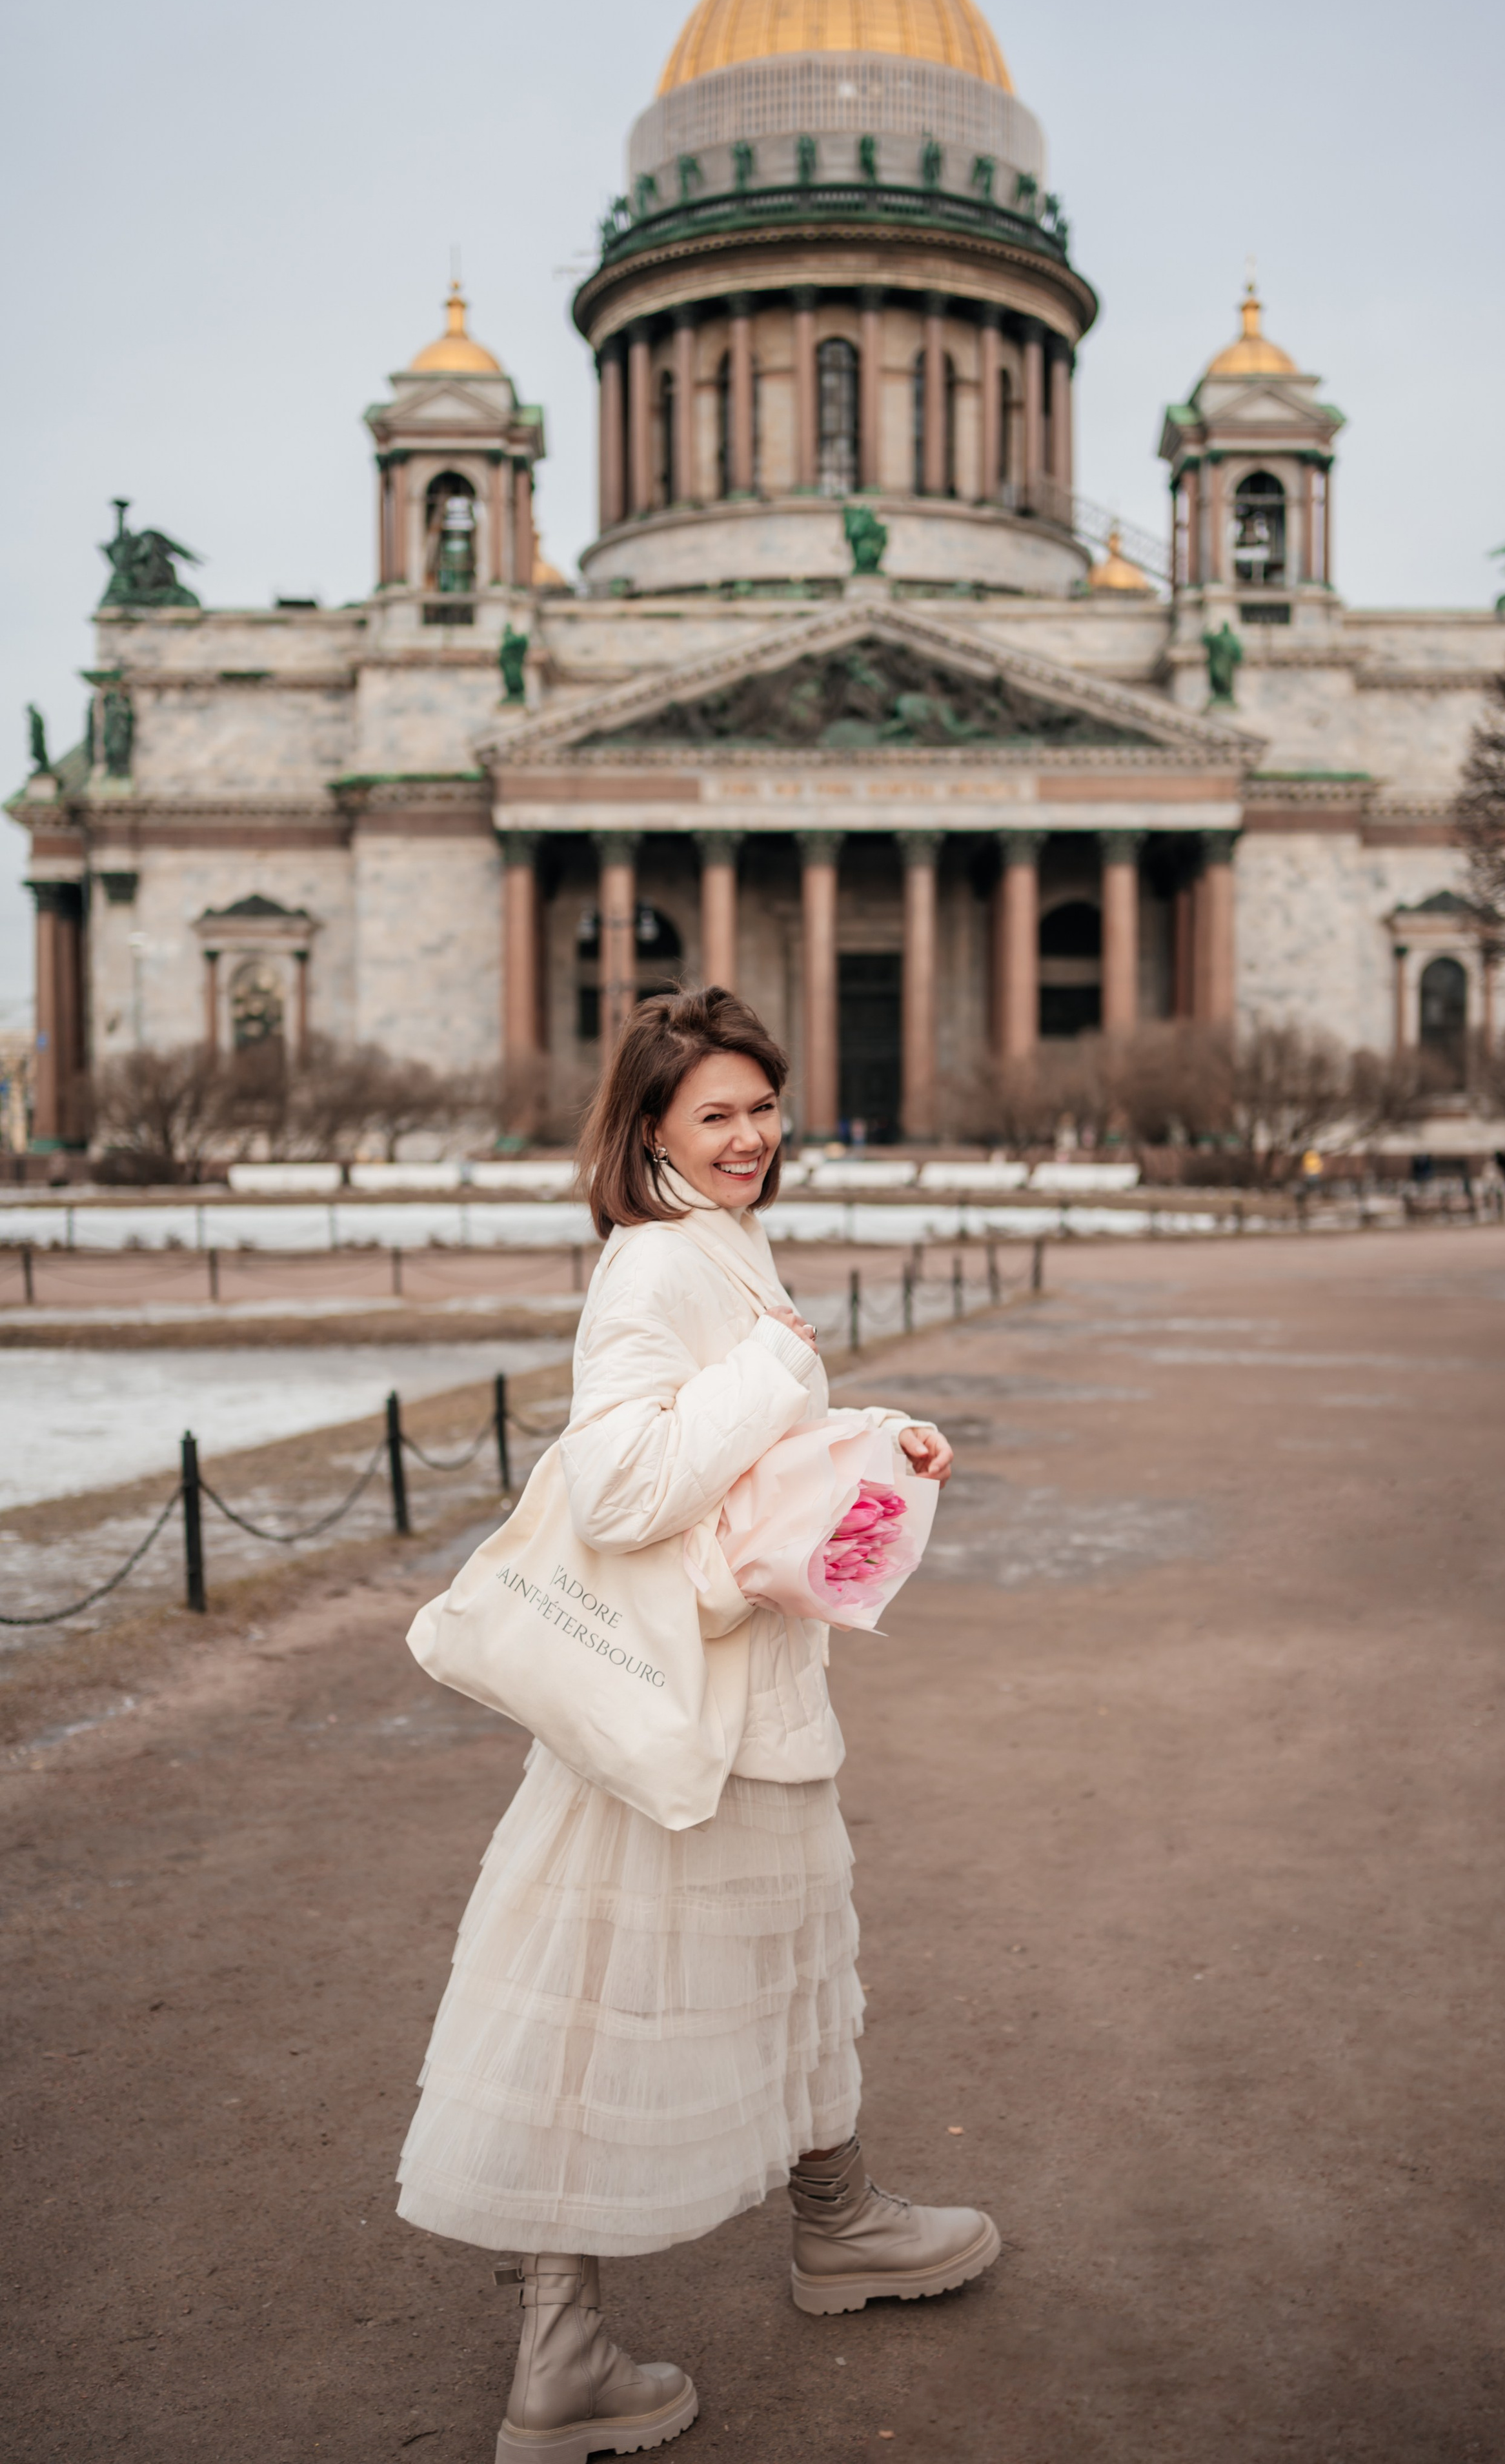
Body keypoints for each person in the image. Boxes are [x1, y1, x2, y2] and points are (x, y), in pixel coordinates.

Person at [396, 987, 996, 2462]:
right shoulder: (655, 1262)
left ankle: (837, 2217)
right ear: (652, 1126)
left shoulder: (716, 1243)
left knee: (791, 1954)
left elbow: (731, 1459)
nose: (749, 1136)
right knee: (599, 2018)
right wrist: (779, 1374)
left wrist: (867, 1442)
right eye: (713, 1114)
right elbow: (618, 1490)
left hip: (741, 1699)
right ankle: (562, 2354)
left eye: (761, 1107)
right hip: (683, 1710)